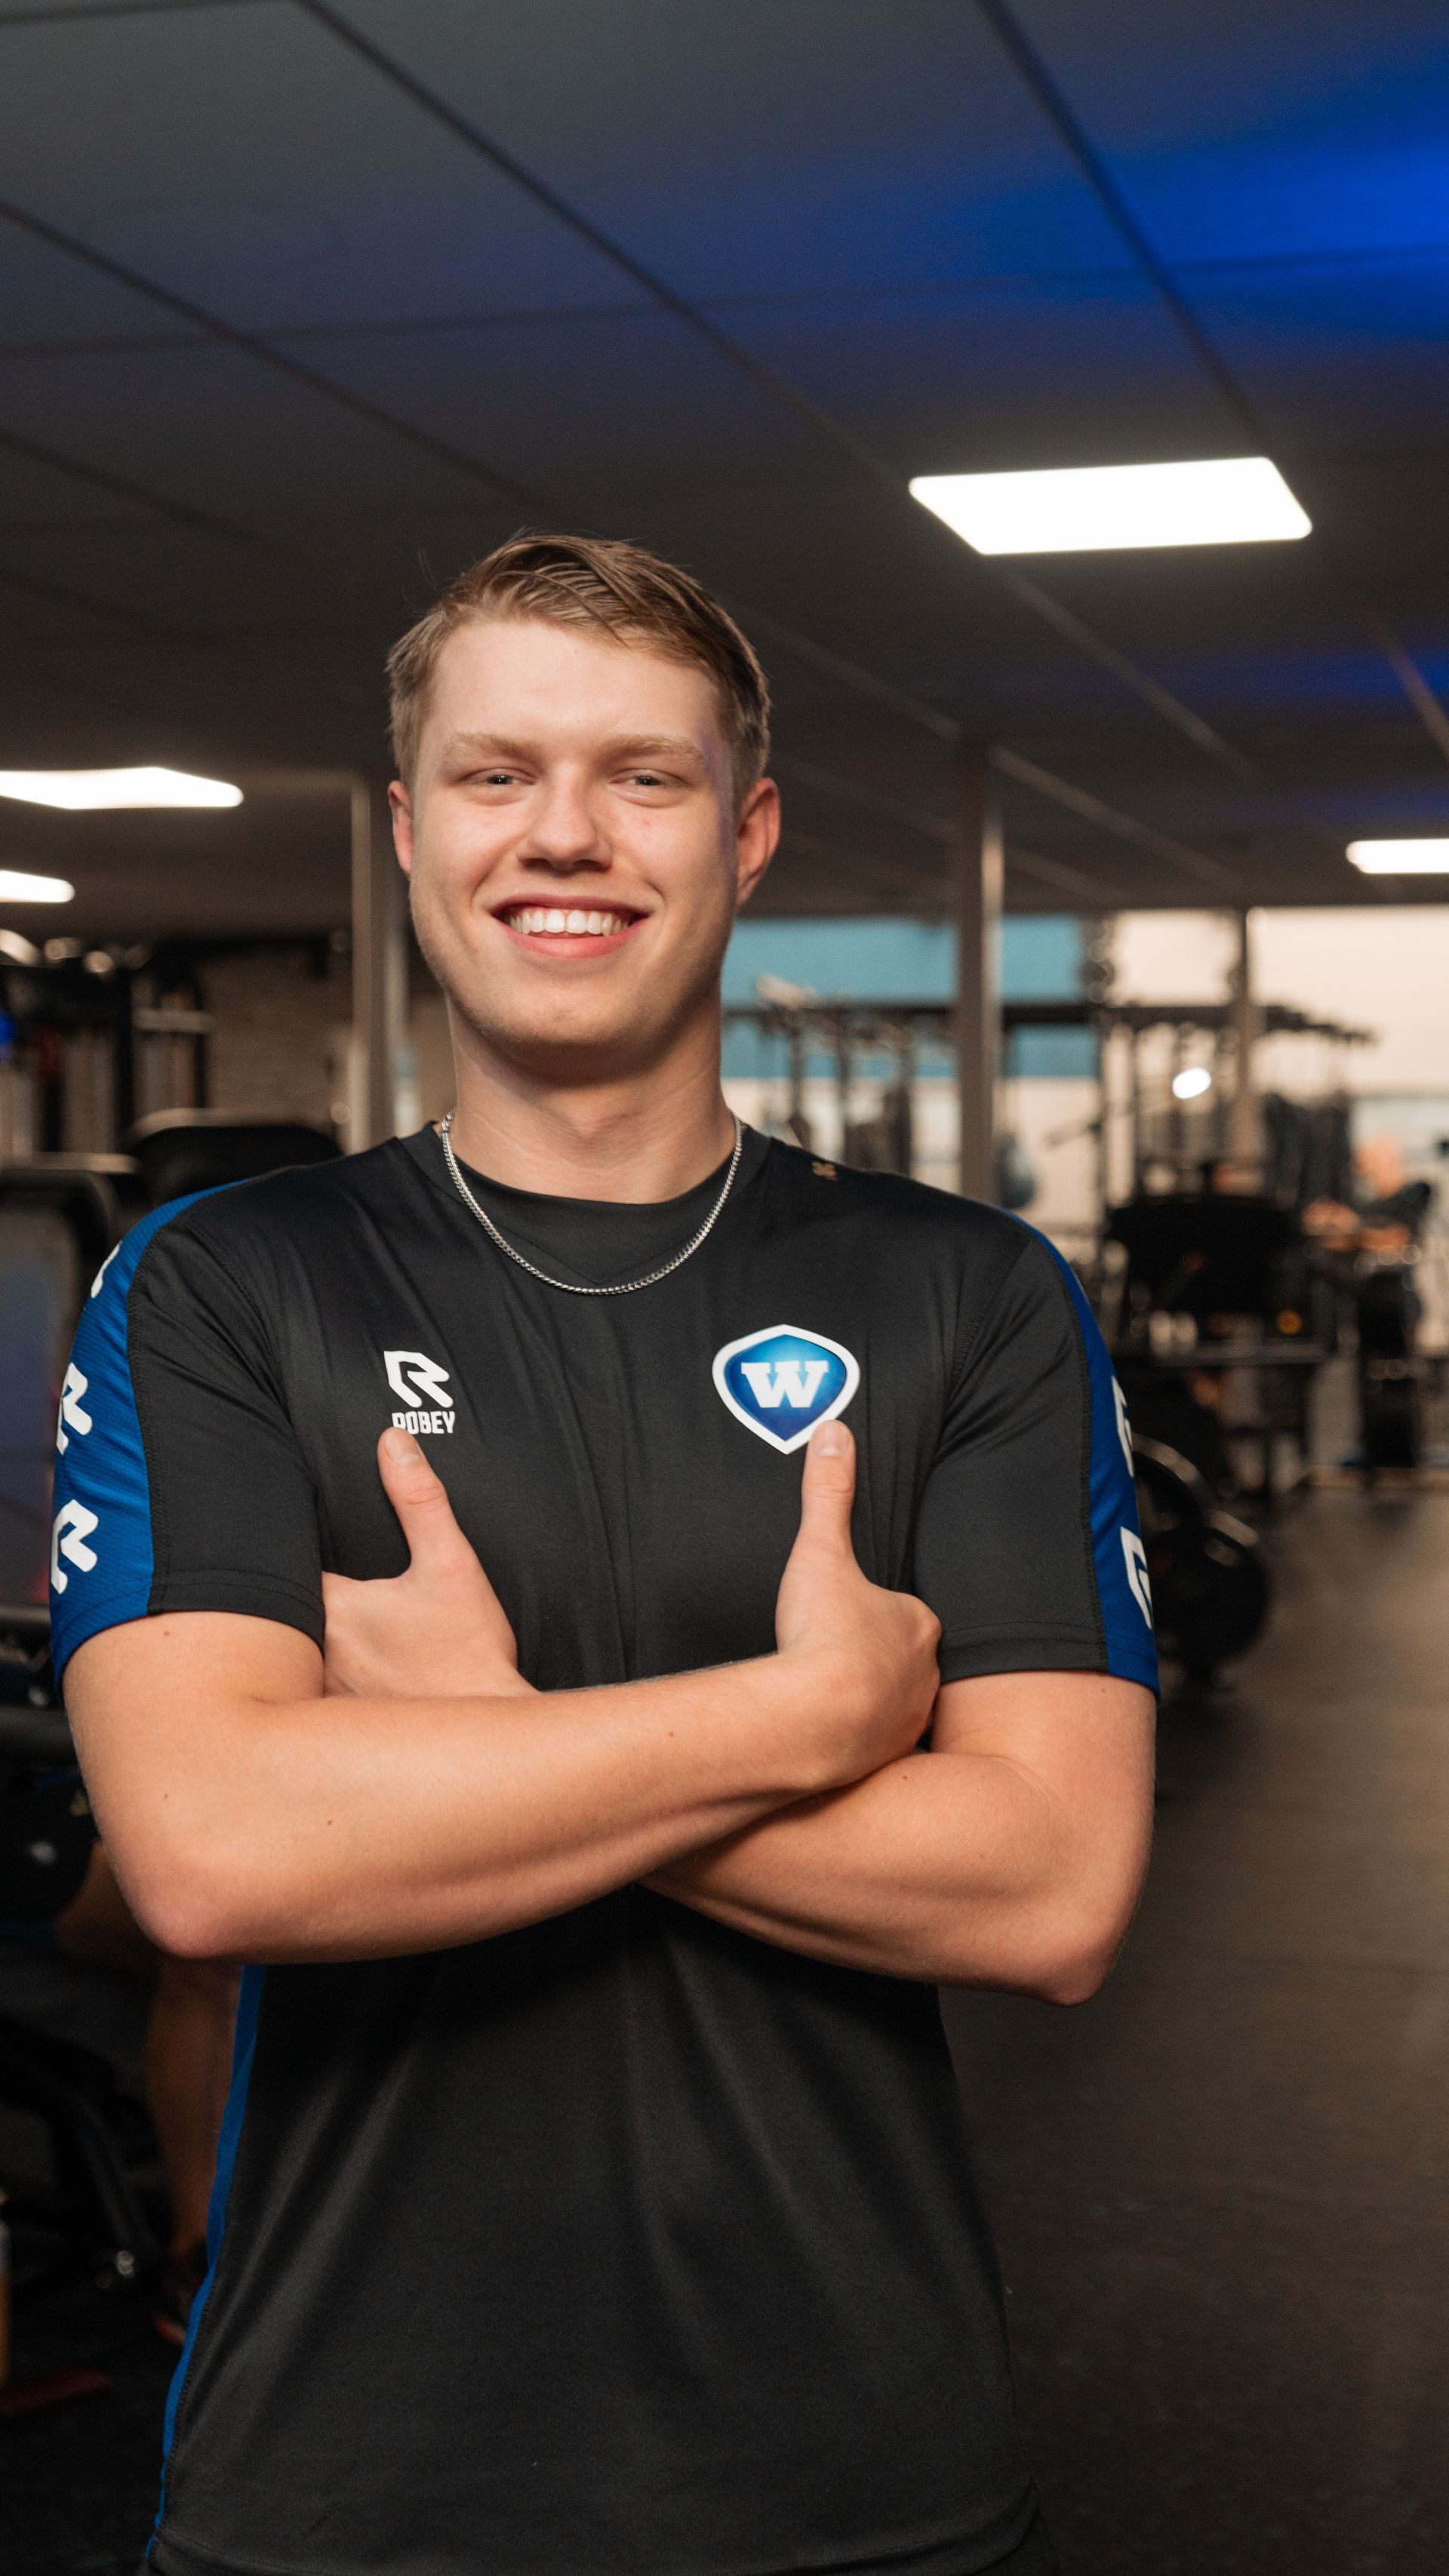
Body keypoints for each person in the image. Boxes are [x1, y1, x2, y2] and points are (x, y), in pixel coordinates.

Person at [51, 534, 1157, 2576]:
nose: (565, 833)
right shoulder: (223, 1289)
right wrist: (814, 1718)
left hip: (865, 2466)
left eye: (642, 776)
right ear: (408, 829)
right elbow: (216, 1852)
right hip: (343, 2483)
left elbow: (1051, 1888)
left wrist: (479, 1741)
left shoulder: (968, 1297)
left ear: (745, 834)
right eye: (496, 774)